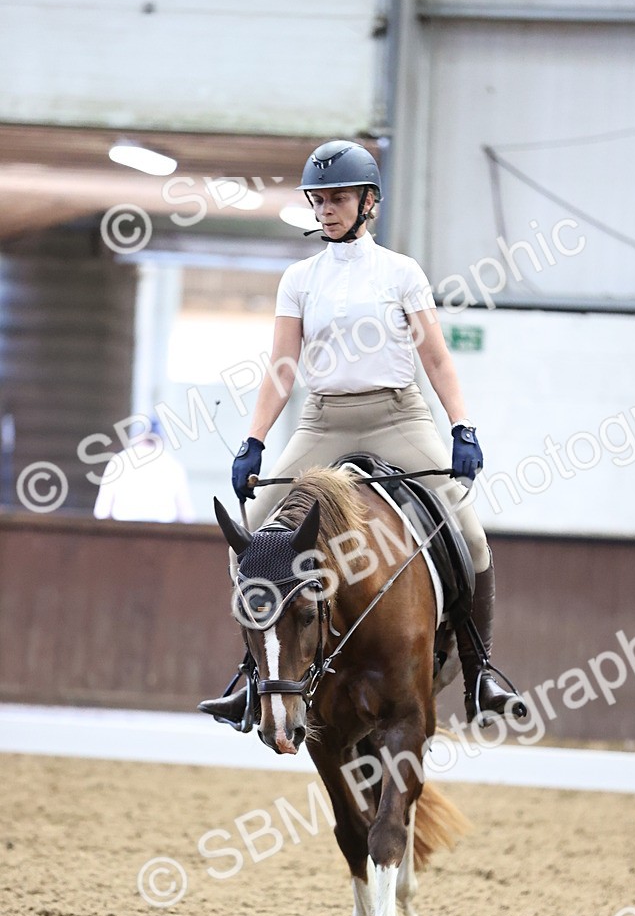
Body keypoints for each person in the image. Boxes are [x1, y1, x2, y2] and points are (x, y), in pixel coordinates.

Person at [200, 139, 522, 726]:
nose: (326, 210)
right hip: (322, 419)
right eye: (318, 200)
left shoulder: (401, 273)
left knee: (472, 536)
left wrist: (462, 426)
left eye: (338, 199)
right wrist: (254, 440)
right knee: (249, 538)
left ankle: (481, 676)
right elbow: (282, 367)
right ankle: (252, 677)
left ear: (368, 202)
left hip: (397, 415)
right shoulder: (299, 279)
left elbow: (437, 358)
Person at [93, 417, 194, 523]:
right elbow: (186, 514)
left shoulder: (119, 461)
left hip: (125, 529)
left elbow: (102, 510)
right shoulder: (173, 465)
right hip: (161, 530)